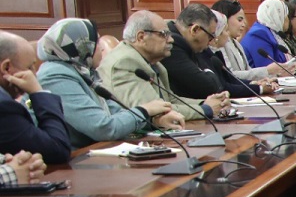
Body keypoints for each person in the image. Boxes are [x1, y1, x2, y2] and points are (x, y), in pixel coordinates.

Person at [40, 16, 184, 147]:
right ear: (81, 46)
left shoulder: (82, 71)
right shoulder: (55, 76)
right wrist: (145, 110)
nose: (101, 48)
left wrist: (153, 122)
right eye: (96, 42)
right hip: (74, 159)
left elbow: (115, 112)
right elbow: (102, 128)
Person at [97, 10, 220, 124]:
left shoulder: (152, 62)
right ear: (141, 37)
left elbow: (170, 100)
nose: (171, 40)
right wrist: (205, 109)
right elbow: (157, 111)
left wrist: (207, 103)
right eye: (163, 34)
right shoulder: (124, 63)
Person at [0, 31, 72, 163]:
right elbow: (58, 149)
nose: (35, 75)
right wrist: (38, 92)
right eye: (29, 67)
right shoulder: (4, 107)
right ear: (6, 68)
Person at [160, 3, 232, 114]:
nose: (210, 42)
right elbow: (209, 86)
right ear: (195, 30)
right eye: (210, 36)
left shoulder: (187, 43)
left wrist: (211, 103)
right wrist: (207, 107)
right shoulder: (173, 46)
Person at [212, 0, 289, 81]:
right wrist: (267, 71)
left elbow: (248, 71)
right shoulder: (219, 44)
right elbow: (229, 75)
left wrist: (267, 79)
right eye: (239, 20)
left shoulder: (236, 43)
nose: (244, 24)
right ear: (225, 19)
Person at [243, 0, 295, 68]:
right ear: (277, 16)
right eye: (286, 15)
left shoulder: (272, 32)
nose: (288, 20)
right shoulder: (259, 34)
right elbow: (268, 68)